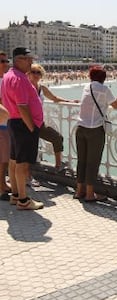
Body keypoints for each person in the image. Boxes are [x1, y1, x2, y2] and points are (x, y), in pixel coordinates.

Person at [1, 47, 44, 210]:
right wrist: (32, 127)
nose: (31, 62)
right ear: (19, 60)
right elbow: (22, 106)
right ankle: (24, 201)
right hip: (23, 125)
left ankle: (16, 196)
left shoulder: (8, 76)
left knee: (14, 160)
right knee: (22, 164)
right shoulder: (18, 79)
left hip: (13, 122)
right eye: (28, 59)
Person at [73, 65, 117, 202]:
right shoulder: (104, 89)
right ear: (104, 78)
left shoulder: (86, 87)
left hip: (80, 127)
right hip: (95, 129)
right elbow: (116, 105)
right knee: (92, 162)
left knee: (81, 161)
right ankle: (90, 194)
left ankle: (79, 191)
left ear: (91, 76)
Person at [28, 63, 79, 172]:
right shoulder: (26, 88)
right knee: (28, 150)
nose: (36, 75)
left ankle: (58, 165)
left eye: (39, 72)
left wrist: (69, 101)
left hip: (39, 124)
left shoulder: (42, 88)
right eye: (33, 72)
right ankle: (26, 177)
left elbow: (54, 98)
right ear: (28, 73)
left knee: (57, 138)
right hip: (27, 123)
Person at [0, 51, 11, 200]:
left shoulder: (4, 80)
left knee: (5, 158)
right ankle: (1, 187)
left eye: (6, 61)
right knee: (2, 158)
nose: (6, 63)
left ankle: (3, 183)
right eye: (2, 61)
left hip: (6, 123)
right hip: (2, 123)